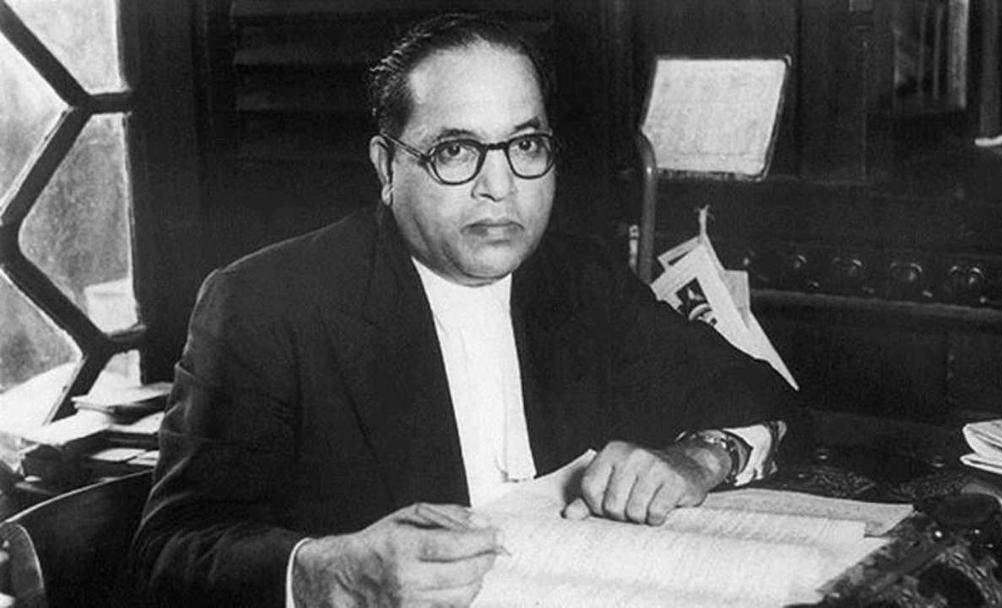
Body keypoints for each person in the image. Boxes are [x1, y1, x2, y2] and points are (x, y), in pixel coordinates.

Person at [131, 13, 803, 608]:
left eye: (526, 145)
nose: (500, 187)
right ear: (386, 168)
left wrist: (699, 458)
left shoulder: (579, 279)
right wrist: (327, 575)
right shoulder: (265, 305)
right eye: (455, 151)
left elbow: (767, 395)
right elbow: (169, 553)